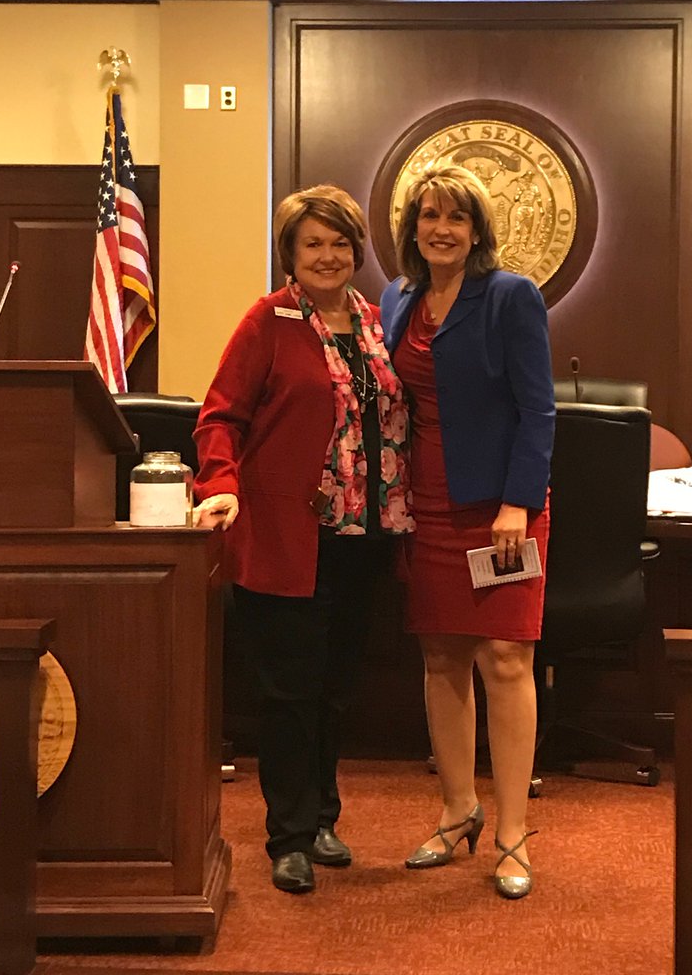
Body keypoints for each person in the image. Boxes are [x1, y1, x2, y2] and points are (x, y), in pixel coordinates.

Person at [193, 184, 413, 895]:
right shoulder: (267, 321)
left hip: (362, 536)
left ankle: (321, 818)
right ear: (290, 252)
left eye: (340, 242)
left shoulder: (375, 322)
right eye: (312, 243)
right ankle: (287, 837)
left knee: (335, 689)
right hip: (286, 536)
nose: (328, 255)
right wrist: (220, 483)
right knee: (290, 692)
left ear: (357, 251)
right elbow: (219, 417)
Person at [380, 166, 554, 900]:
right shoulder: (397, 297)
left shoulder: (511, 295)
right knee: (441, 656)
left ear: (478, 229)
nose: (441, 229)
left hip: (499, 507)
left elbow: (538, 408)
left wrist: (519, 503)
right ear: (412, 228)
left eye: (456, 217)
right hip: (424, 503)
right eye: (429, 216)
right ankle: (458, 810)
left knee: (506, 659)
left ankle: (513, 831)